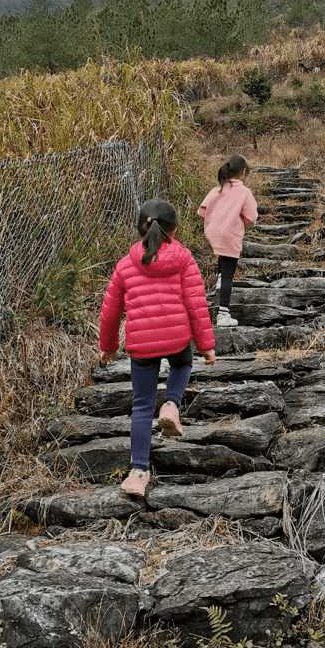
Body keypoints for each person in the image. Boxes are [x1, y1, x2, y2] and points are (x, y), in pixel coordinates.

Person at [99, 199, 216, 497]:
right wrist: (205, 345)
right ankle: (172, 404)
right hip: (177, 339)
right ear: (174, 230)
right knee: (182, 364)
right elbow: (196, 304)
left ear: (141, 228)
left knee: (141, 405)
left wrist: (109, 347)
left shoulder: (126, 265)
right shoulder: (184, 259)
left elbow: (111, 311)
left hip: (141, 345)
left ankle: (138, 471)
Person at [198, 153, 258, 327]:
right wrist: (244, 223)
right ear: (243, 172)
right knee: (228, 275)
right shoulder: (245, 192)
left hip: (213, 232)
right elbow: (251, 217)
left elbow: (201, 212)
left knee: (222, 259)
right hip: (230, 234)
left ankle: (218, 279)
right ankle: (223, 314)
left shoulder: (217, 190)